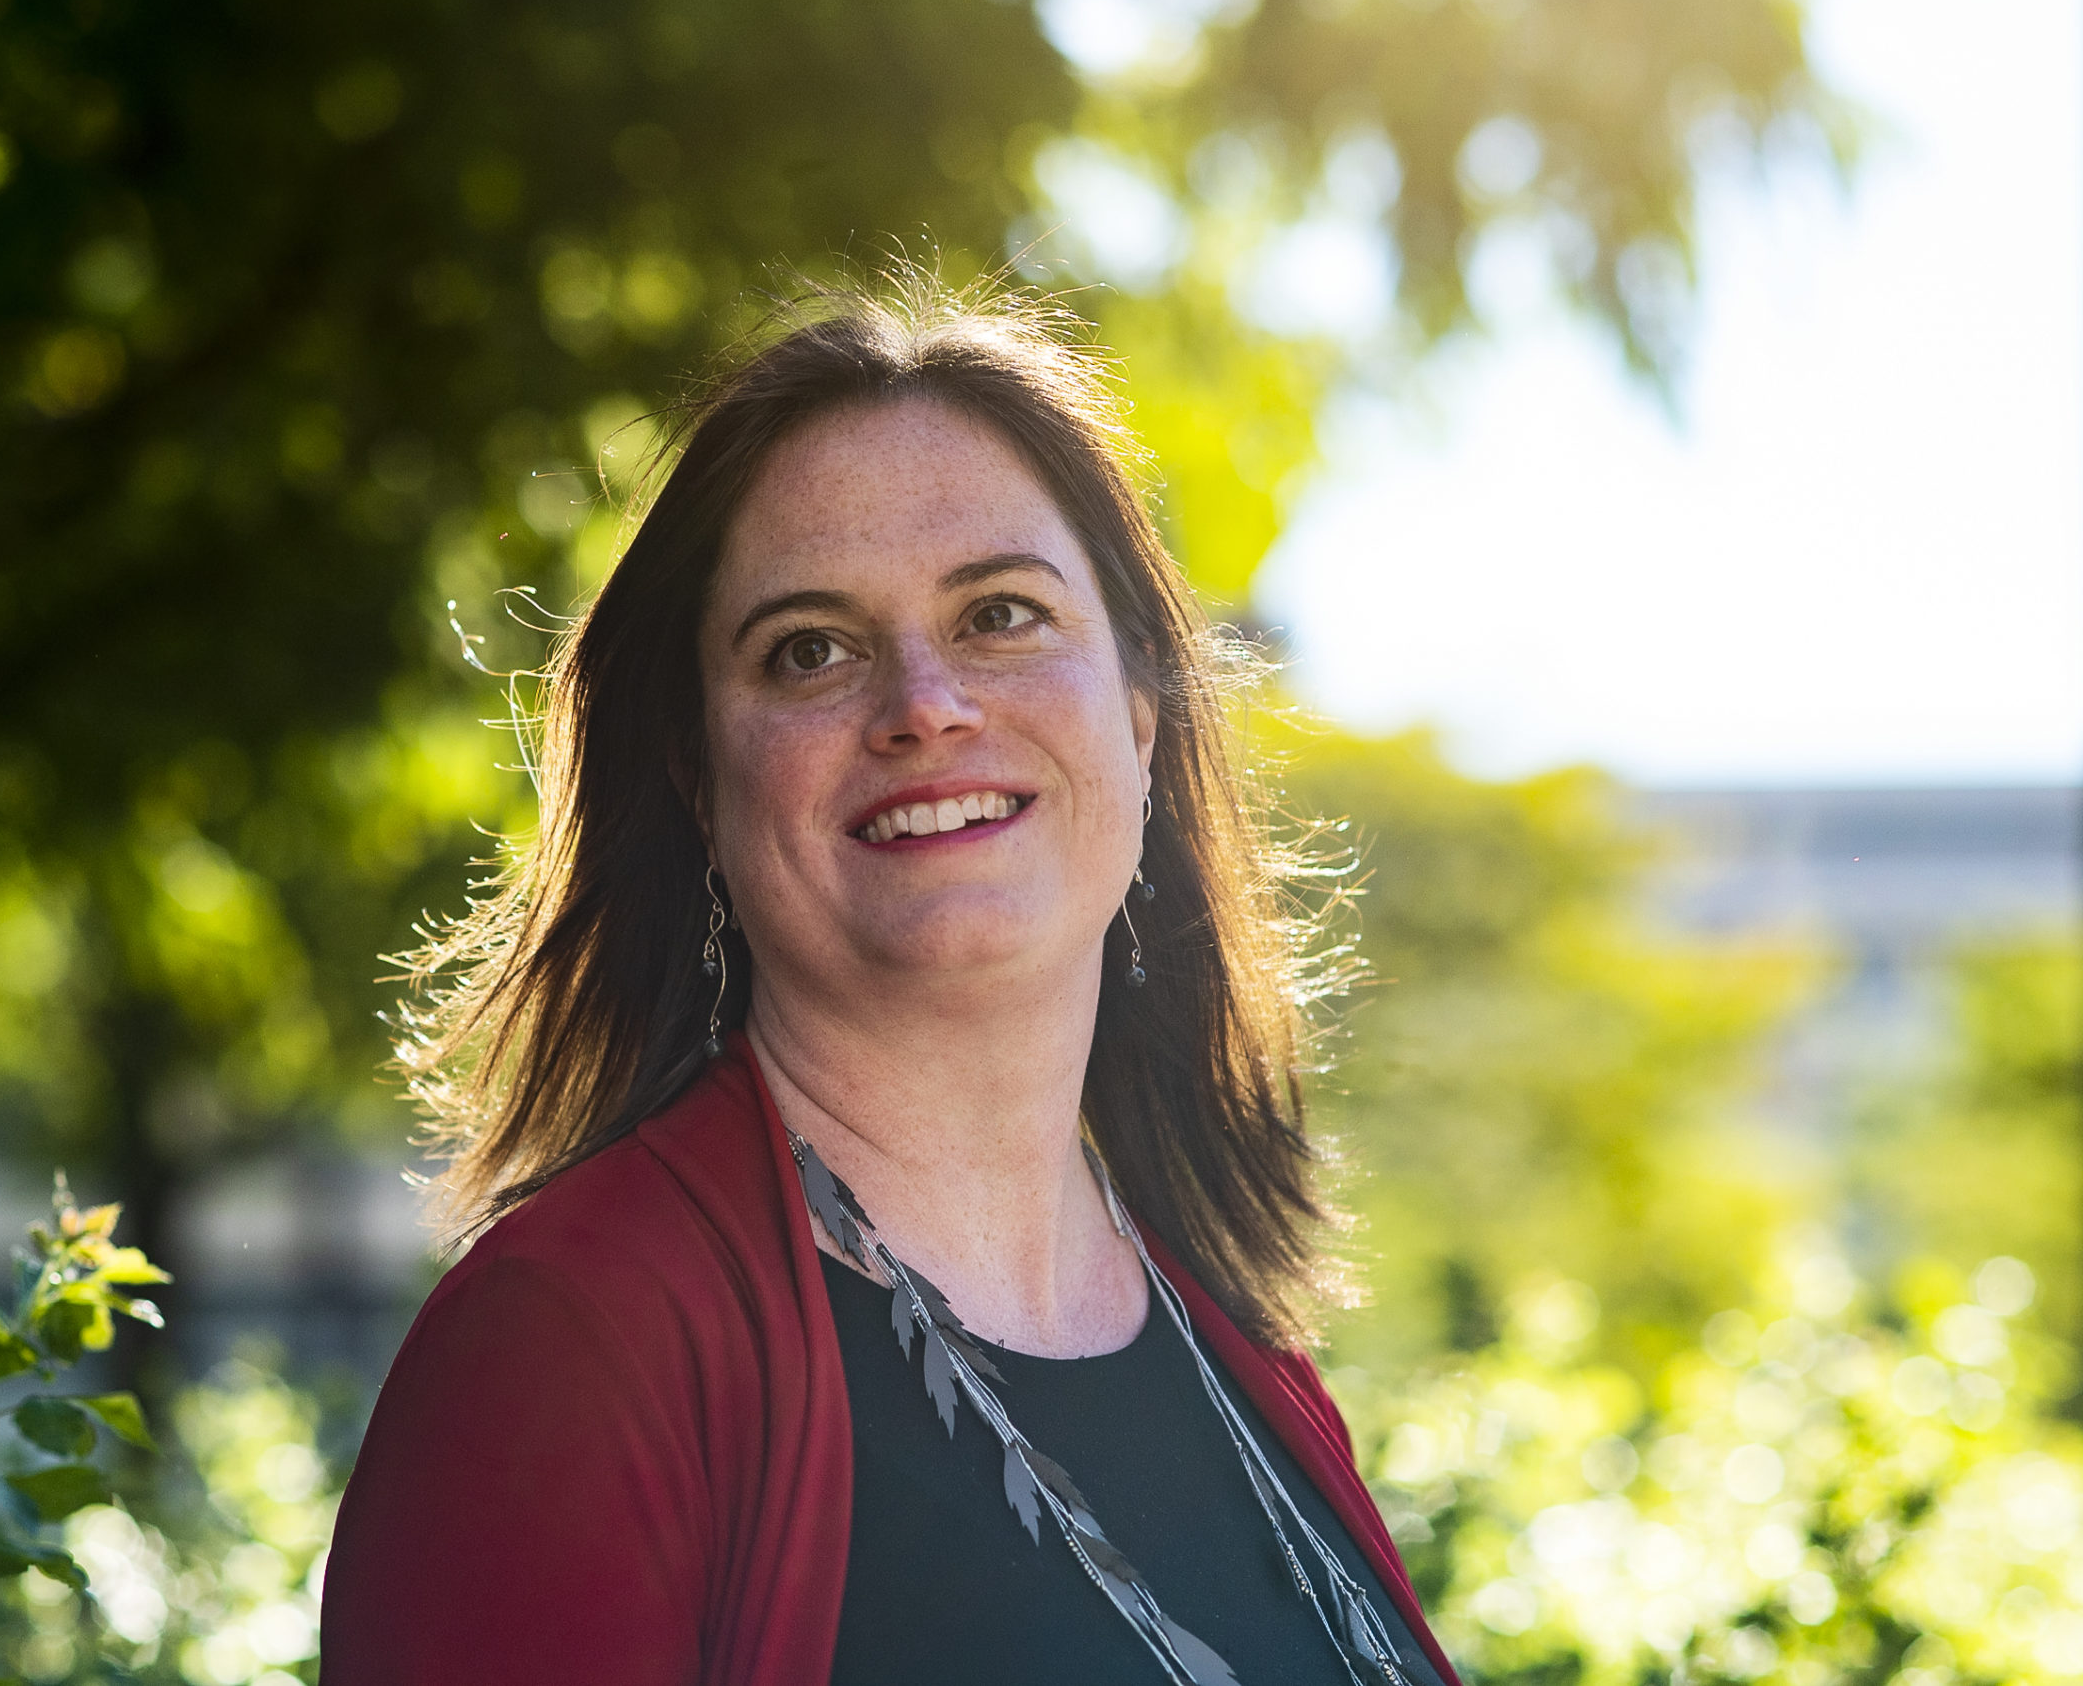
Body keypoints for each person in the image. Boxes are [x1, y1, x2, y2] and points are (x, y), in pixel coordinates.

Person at [320, 278, 1460, 1686]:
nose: (924, 702)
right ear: (699, 779)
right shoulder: (568, 1352)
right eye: (812, 650)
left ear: (1141, 727)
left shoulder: (1248, 1359)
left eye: (1002, 615)